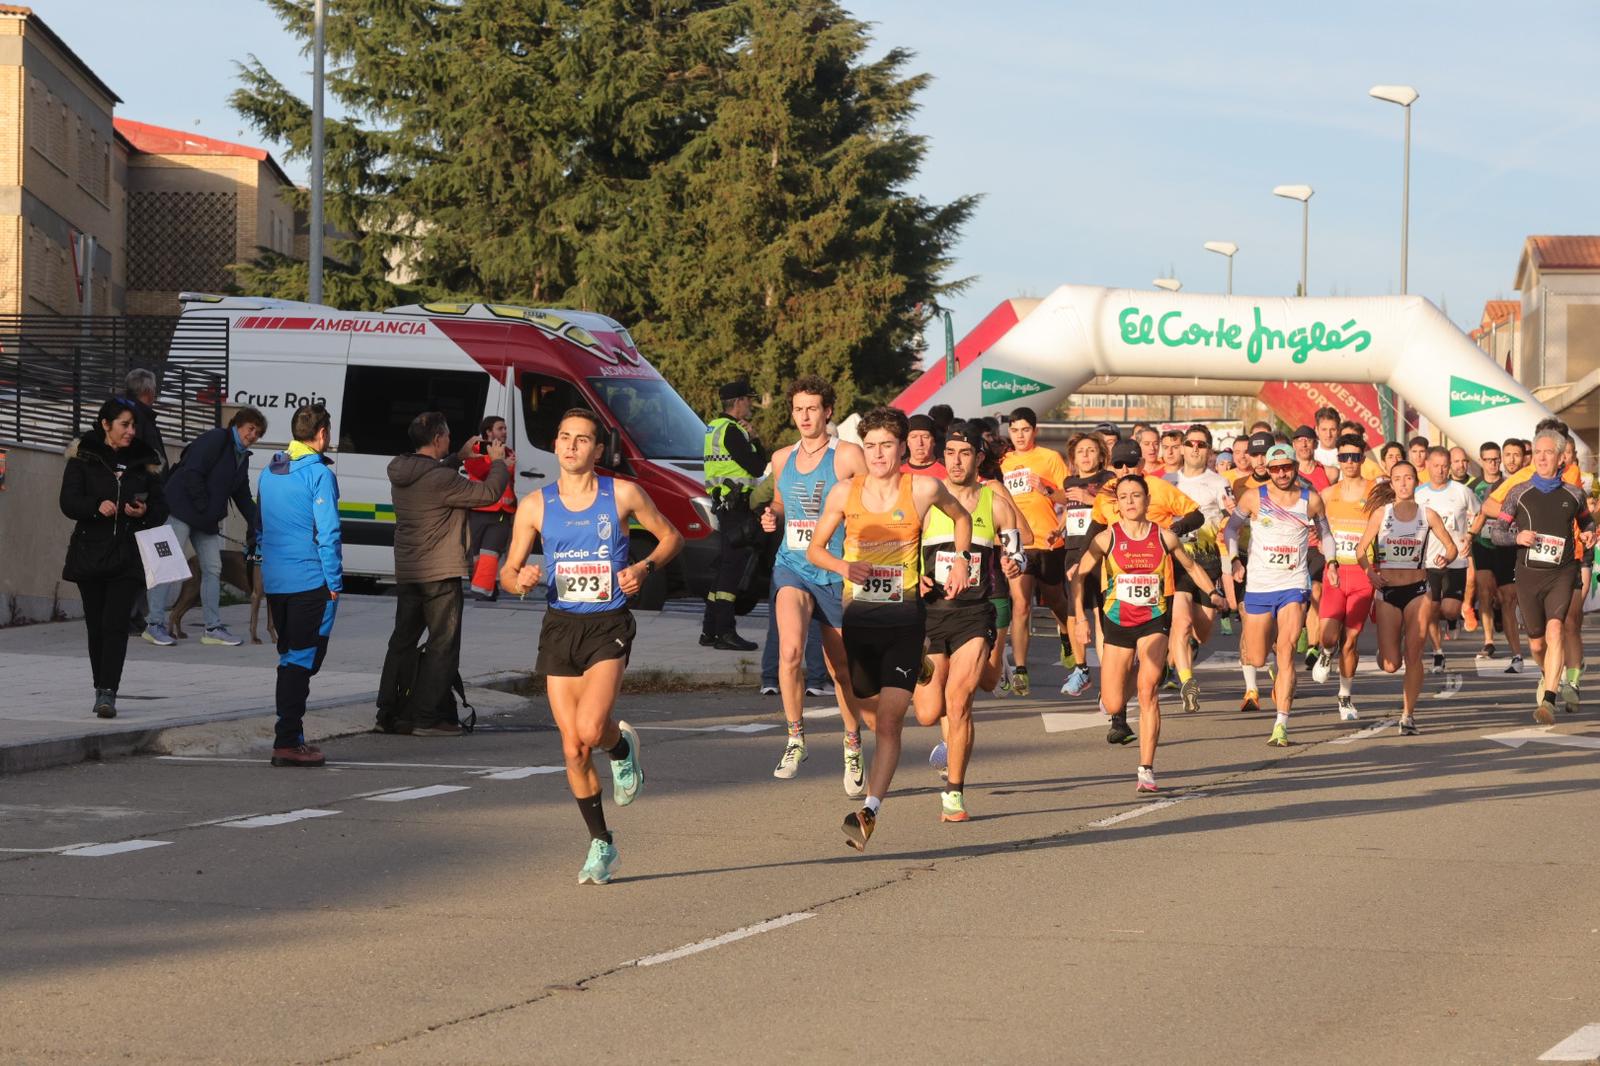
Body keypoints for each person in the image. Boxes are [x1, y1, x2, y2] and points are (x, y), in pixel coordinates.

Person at [500, 408, 683, 884]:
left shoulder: (621, 494)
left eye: (582, 440)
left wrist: (643, 569)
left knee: (590, 725)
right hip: (560, 625)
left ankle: (620, 748)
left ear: (598, 450)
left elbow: (670, 537)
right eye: (564, 437)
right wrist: (521, 578)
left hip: (607, 623)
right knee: (572, 748)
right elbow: (506, 570)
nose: (570, 446)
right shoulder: (535, 505)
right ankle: (602, 843)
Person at [807, 406, 971, 853]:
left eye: (887, 445)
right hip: (859, 616)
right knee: (865, 706)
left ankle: (870, 810)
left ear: (903, 448)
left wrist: (959, 560)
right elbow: (816, 550)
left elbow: (961, 519)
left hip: (905, 615)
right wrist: (845, 566)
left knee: (891, 724)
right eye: (871, 446)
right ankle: (913, 667)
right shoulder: (844, 493)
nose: (878, 454)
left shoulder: (923, 488)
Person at [1072, 473, 1227, 794]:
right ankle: (1136, 671)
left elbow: (1192, 566)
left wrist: (1212, 592)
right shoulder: (1107, 538)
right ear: (1117, 504)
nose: (1130, 502)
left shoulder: (1165, 537)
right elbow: (1079, 575)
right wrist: (1079, 617)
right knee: (1115, 702)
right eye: (1124, 497)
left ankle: (1146, 769)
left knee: (1148, 693)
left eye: (1136, 496)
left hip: (1153, 620)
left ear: (1146, 501)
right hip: (1116, 622)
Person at [757, 376, 869, 790]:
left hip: (836, 573)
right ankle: (794, 737)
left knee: (842, 671)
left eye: (812, 409)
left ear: (827, 412)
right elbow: (782, 502)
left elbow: (874, 501)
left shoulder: (848, 456)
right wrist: (772, 515)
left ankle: (853, 744)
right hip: (792, 567)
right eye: (798, 409)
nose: (805, 416)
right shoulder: (782, 457)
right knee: (789, 652)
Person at [912, 421, 1023, 821]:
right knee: (927, 712)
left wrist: (1012, 562)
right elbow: (905, 550)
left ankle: (953, 793)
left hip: (975, 614)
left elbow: (1017, 551)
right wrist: (915, 576)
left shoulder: (995, 503)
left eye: (964, 454)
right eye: (950, 454)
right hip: (930, 615)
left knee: (959, 703)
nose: (956, 462)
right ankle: (998, 665)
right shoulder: (925, 499)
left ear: (978, 457)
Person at [375, 411, 511, 736]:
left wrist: (457, 457)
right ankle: (427, 718)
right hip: (440, 572)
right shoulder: (442, 479)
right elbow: (488, 494)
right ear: (437, 438)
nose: (450, 440)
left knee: (402, 642)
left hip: (409, 571)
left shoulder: (401, 470)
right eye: (448, 436)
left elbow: (432, 476)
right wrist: (498, 462)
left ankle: (388, 714)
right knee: (442, 645)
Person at [59, 397, 168, 719]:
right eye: (124, 424)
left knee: (116, 624)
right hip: (90, 553)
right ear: (106, 425)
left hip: (128, 555)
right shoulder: (83, 458)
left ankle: (109, 692)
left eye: (133, 425)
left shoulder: (145, 462)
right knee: (96, 626)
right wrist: (97, 506)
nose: (130, 431)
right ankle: (99, 686)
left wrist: (145, 512)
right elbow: (68, 502)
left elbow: (162, 507)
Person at [1223, 443, 1332, 746]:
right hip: (1259, 585)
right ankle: (1271, 661)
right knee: (1257, 656)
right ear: (1268, 471)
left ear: (1295, 467)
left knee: (1286, 651)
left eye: (1287, 467)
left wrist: (1331, 560)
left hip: (1293, 584)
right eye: (1276, 469)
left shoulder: (1311, 499)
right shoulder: (1253, 498)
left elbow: (1325, 533)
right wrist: (1234, 559)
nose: (1282, 473)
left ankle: (1281, 723)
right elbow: (1231, 529)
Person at [258, 403, 344, 768]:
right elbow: (329, 534)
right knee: (303, 660)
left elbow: (259, 525)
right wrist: (335, 582)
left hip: (276, 580)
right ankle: (288, 741)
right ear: (322, 435)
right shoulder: (319, 475)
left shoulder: (270, 470)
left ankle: (291, 734)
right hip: (311, 580)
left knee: (291, 657)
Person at [143, 407, 267, 648]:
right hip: (181, 509)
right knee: (167, 565)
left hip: (205, 518)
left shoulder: (242, 457)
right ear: (238, 424)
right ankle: (154, 624)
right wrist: (204, 506)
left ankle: (213, 628)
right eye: (251, 429)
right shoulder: (216, 439)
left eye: (258, 433)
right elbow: (192, 473)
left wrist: (259, 524)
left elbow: (242, 496)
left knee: (213, 568)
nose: (253, 435)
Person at [1497, 428, 1596, 723]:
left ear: (1560, 457)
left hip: (1562, 573)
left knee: (1557, 630)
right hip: (1528, 574)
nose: (1541, 457)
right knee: (1538, 643)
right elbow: (1498, 532)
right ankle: (1548, 674)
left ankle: (1549, 700)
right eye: (1537, 452)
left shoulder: (1574, 493)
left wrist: (1589, 533)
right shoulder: (1519, 492)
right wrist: (1518, 536)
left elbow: (1587, 520)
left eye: (1548, 452)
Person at [1356, 462, 1457, 735]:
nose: (1403, 483)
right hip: (1387, 592)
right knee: (1391, 665)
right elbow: (1360, 549)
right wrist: (1369, 572)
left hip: (1417, 591)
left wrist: (1446, 557)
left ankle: (1408, 715)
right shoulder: (1381, 514)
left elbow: (1451, 547)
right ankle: (1386, 650)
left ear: (1416, 481)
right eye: (1397, 479)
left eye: (1408, 478)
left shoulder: (1428, 515)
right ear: (1391, 484)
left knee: (1414, 654)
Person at [998, 406, 1072, 696]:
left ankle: (1066, 636)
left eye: (1025, 429)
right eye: (1014, 430)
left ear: (1035, 431)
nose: (1019, 435)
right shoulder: (1003, 461)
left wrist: (1046, 490)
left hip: (1048, 541)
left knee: (1056, 600)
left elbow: (1068, 495)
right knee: (1021, 605)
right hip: (1017, 542)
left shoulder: (1049, 458)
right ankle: (1020, 669)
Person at [1164, 425, 1232, 713]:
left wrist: (1232, 562)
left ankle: (1186, 650)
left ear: (1209, 451)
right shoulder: (1167, 480)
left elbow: (1232, 523)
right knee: (1181, 623)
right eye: (1190, 443)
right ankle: (1187, 682)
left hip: (1207, 563)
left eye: (1201, 445)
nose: (1195, 448)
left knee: (1202, 632)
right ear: (1181, 448)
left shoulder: (1218, 483)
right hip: (1177, 563)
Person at [1313, 437, 1375, 719]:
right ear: (1337, 459)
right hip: (1335, 571)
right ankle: (1326, 652)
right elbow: (1317, 530)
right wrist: (1320, 545)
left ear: (1363, 459)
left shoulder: (1376, 493)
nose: (1349, 462)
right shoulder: (1327, 494)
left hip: (1362, 574)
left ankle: (1345, 696)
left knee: (1350, 641)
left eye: (1355, 456)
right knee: (1327, 635)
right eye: (1344, 457)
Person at [701, 378, 766, 650]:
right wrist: (755, 439)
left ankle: (709, 630)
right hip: (736, 507)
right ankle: (725, 633)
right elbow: (757, 467)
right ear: (738, 402)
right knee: (731, 571)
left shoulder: (713, 428)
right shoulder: (733, 431)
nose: (750, 404)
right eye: (748, 400)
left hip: (724, 505)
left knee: (724, 569)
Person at [1058, 433, 1114, 696]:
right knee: (1073, 613)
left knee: (1100, 615)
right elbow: (1072, 510)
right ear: (1073, 457)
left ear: (1101, 455)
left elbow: (1112, 510)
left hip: (1099, 552)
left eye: (1091, 451)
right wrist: (1058, 530)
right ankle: (1081, 669)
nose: (1086, 456)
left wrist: (1089, 498)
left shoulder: (1108, 480)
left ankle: (1108, 677)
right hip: (1072, 551)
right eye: (1081, 451)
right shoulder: (1069, 481)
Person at [1414, 446, 1478, 673]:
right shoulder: (1419, 494)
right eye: (1436, 465)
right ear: (1428, 465)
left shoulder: (1462, 491)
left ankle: (1453, 619)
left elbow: (1479, 514)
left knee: (1449, 609)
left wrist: (1470, 535)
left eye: (1444, 466)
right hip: (1428, 562)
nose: (1440, 470)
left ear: (1449, 466)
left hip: (1456, 560)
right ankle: (1438, 651)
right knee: (1430, 607)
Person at [118, 368, 167, 635]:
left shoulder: (129, 415)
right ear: (148, 392)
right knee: (137, 562)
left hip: (143, 496)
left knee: (142, 561)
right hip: (140, 498)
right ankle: (129, 615)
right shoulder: (137, 419)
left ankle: (135, 614)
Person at [1465, 440, 1519, 666]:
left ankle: (1516, 652)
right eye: (1488, 460)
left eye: (1497, 459)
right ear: (1481, 461)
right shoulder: (1472, 487)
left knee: (1508, 598)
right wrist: (1468, 537)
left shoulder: (1511, 485)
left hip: (1506, 546)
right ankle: (1489, 641)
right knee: (1485, 591)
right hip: (1482, 545)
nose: (1493, 464)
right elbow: (1470, 516)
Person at [463, 415, 518, 601]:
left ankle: (483, 593)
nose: (504, 432)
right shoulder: (476, 449)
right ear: (488, 431)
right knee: (477, 555)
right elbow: (478, 471)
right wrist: (499, 463)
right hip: (478, 509)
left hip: (501, 512)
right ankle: (485, 588)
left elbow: (508, 481)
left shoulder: (508, 451)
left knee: (490, 554)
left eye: (505, 428)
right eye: (500, 428)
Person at [902, 414, 948, 478]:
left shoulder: (948, 469)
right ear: (907, 441)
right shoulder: (897, 470)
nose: (920, 443)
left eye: (925, 437)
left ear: (934, 441)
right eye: (914, 437)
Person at [1312, 406, 1341, 471]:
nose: (1328, 435)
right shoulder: (1309, 451)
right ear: (1316, 430)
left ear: (1338, 430)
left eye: (1333, 430)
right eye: (1324, 429)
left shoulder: (1346, 453)